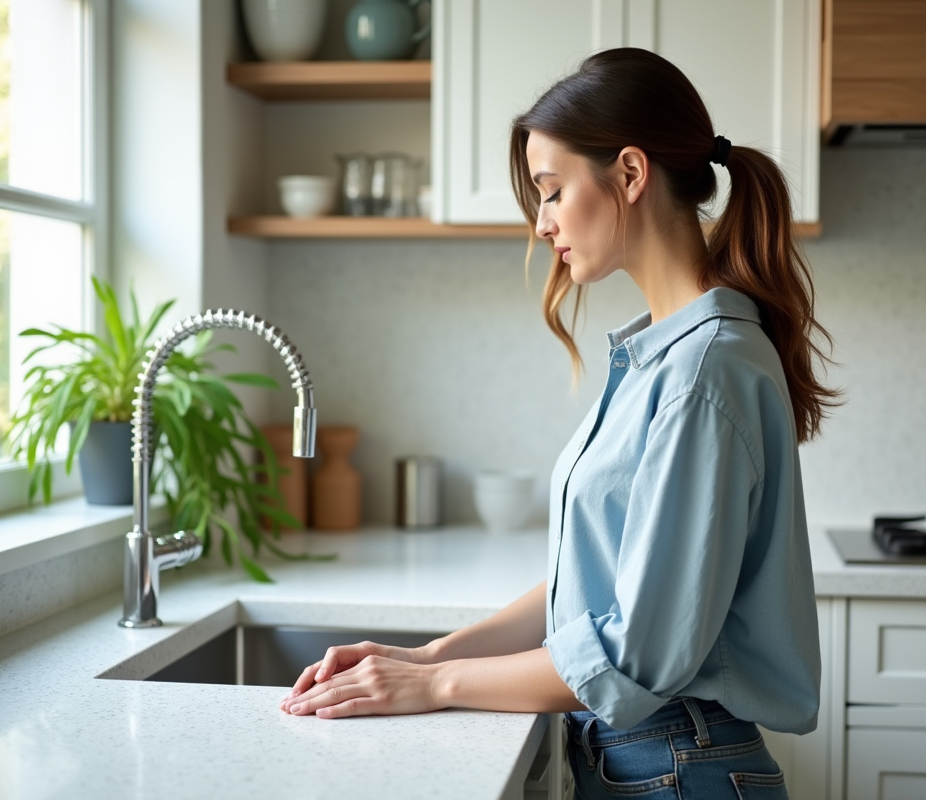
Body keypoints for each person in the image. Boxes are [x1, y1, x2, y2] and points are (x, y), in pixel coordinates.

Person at [278, 47, 836, 800]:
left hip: (674, 766)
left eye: (551, 190)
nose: (542, 223)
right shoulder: (669, 357)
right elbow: (591, 594)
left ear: (631, 175)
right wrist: (424, 656)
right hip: (650, 759)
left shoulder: (705, 372)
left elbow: (637, 653)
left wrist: (438, 683)